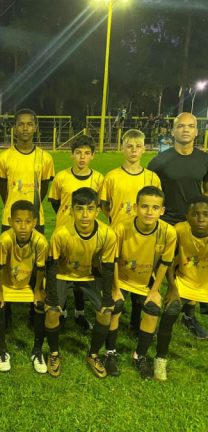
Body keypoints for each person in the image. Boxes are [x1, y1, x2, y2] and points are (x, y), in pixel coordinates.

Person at [44, 187, 117, 378]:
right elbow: (51, 266)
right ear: (71, 210)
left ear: (97, 211)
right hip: (63, 274)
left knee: (106, 312)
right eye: (79, 209)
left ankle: (93, 355)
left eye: (90, 209)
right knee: (52, 311)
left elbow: (108, 267)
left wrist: (107, 298)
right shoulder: (61, 234)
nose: (85, 215)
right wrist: (52, 298)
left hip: (90, 276)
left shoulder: (108, 234)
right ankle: (54, 353)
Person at [148, 112, 208, 338]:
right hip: (167, 223)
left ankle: (189, 314)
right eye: (181, 126)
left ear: (196, 131)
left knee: (193, 268)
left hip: (194, 225)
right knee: (159, 267)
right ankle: (151, 308)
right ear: (173, 131)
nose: (185, 130)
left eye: (190, 126)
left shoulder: (204, 159)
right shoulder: (159, 161)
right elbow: (151, 193)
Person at [100, 128, 161, 332]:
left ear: (144, 149)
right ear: (122, 148)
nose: (134, 150)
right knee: (116, 274)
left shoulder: (152, 178)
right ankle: (112, 313)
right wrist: (115, 220)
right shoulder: (112, 177)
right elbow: (104, 204)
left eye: (138, 146)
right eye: (129, 146)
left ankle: (135, 320)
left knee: (141, 274)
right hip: (119, 236)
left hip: (144, 237)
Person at [114, 186, 176, 380]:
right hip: (121, 278)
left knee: (152, 309)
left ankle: (139, 355)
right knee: (114, 305)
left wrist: (155, 291)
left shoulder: (168, 232)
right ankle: (110, 352)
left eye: (155, 208)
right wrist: (115, 288)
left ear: (162, 211)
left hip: (145, 280)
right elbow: (112, 261)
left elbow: (165, 264)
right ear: (135, 207)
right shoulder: (121, 228)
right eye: (144, 206)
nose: (149, 212)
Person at [47, 134, 104, 332]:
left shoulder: (99, 179)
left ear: (93, 156)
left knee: (82, 273)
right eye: (78, 153)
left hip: (88, 236)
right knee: (63, 273)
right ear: (71, 154)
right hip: (64, 234)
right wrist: (66, 220)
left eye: (87, 153)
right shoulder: (61, 177)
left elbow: (99, 205)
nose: (82, 157)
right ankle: (61, 312)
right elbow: (55, 202)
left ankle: (80, 313)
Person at [0, 200, 49, 374]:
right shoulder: (5, 240)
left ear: (35, 222)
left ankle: (37, 351)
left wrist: (37, 290)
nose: (23, 226)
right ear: (10, 221)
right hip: (7, 282)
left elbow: (41, 269)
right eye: (18, 221)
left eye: (28, 221)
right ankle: (2, 351)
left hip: (29, 284)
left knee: (41, 305)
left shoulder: (41, 242)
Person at [160, 196, 208, 380]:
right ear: (187, 216)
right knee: (170, 311)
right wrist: (172, 288)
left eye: (206, 214)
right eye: (195, 214)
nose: (201, 219)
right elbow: (169, 262)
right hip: (184, 282)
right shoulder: (179, 230)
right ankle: (160, 359)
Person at [0, 108, 54, 233]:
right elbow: (3, 190)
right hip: (9, 219)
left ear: (35, 128)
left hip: (35, 219)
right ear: (15, 128)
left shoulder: (45, 158)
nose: (25, 128)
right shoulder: (3, 158)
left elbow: (43, 189)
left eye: (30, 124)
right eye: (21, 124)